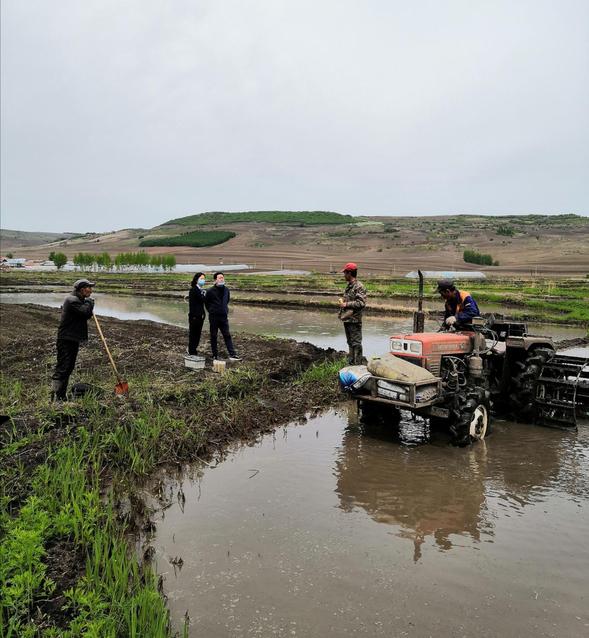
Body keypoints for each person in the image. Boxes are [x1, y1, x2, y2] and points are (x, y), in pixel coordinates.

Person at [51, 278, 95, 400]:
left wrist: (88, 304)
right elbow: (85, 312)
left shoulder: (78, 300)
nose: (91, 290)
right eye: (89, 288)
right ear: (82, 289)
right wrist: (90, 303)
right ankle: (56, 397)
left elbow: (85, 314)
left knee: (68, 367)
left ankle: (61, 396)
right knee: (63, 367)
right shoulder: (72, 300)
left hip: (72, 338)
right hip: (66, 339)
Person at [205, 272, 241, 361]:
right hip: (214, 317)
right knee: (213, 335)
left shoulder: (226, 290)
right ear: (215, 280)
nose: (222, 279)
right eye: (220, 278)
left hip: (223, 317)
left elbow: (227, 300)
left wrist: (224, 309)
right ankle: (215, 355)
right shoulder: (210, 291)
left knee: (227, 335)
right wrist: (212, 310)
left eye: (222, 278)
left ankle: (232, 354)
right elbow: (206, 303)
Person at [338, 262, 367, 365]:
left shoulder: (359, 286)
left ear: (350, 273)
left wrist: (346, 304)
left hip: (354, 320)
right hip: (348, 319)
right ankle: (351, 363)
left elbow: (361, 303)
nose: (344, 275)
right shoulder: (349, 286)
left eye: (345, 273)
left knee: (356, 344)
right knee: (350, 342)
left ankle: (358, 365)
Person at [188, 272, 207, 355]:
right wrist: (205, 295)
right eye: (201, 279)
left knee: (197, 334)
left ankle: (194, 350)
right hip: (194, 317)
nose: (203, 280)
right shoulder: (194, 290)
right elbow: (202, 300)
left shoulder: (200, 290)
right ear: (196, 280)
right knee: (193, 335)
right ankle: (191, 351)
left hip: (200, 316)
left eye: (204, 279)